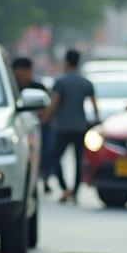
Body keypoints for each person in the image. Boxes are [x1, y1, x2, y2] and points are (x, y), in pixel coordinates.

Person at [48, 49, 99, 202]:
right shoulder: (86, 83)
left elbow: (54, 104)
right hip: (80, 127)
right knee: (79, 160)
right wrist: (96, 121)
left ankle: (65, 189)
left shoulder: (60, 82)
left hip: (63, 127)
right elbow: (94, 105)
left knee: (55, 157)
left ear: (67, 62)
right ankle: (75, 192)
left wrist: (46, 118)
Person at [11, 57, 53, 194]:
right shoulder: (12, 88)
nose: (20, 77)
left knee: (46, 154)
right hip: (16, 129)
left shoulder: (38, 88)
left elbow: (46, 108)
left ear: (29, 71)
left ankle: (45, 179)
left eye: (23, 72)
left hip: (38, 128)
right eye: (16, 74)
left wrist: (39, 121)